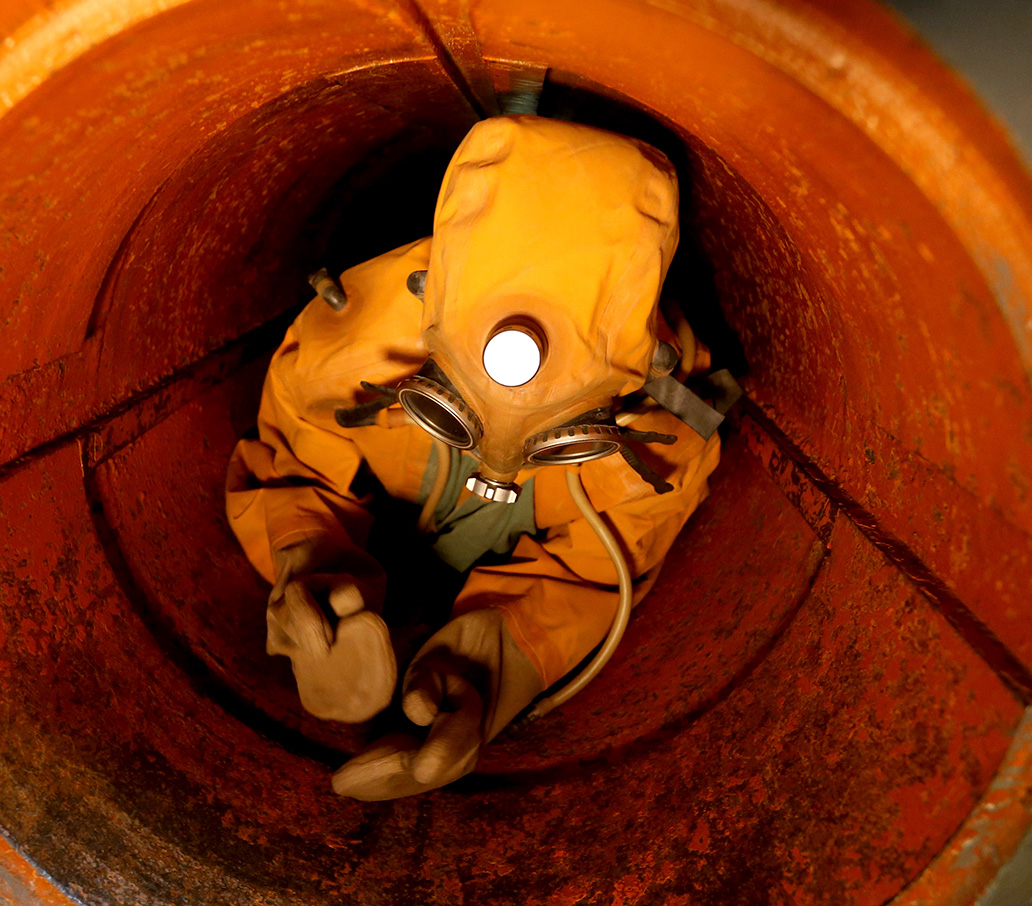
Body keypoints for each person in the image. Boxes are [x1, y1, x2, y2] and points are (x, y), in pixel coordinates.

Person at [225, 115, 721, 801]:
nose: (501, 465)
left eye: (561, 435)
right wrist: (309, 559)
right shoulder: (354, 351)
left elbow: (603, 562)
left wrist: (494, 664)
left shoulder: (657, 439)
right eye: (450, 412)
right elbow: (298, 453)